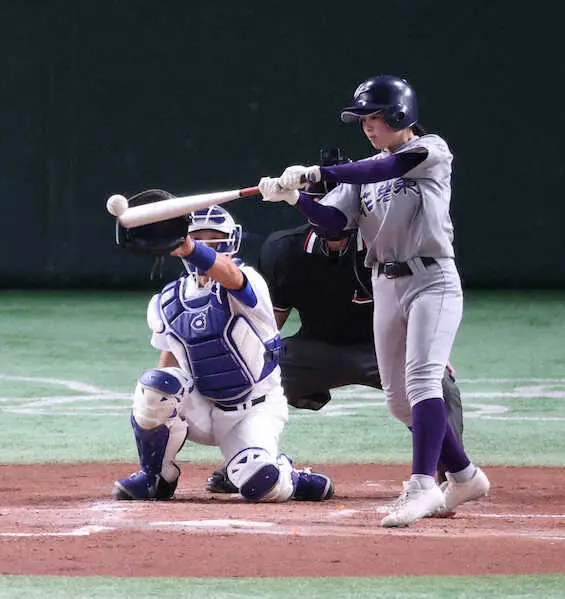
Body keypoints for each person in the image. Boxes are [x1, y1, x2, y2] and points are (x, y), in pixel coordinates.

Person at [258, 75, 490, 528]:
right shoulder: (363, 172)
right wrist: (297, 199)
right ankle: (464, 476)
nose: (367, 126)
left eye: (375, 117)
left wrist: (319, 172)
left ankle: (423, 485)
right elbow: (333, 225)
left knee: (423, 382)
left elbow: (382, 170)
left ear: (400, 114)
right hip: (386, 284)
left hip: (432, 279)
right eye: (363, 118)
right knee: (399, 403)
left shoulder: (431, 151)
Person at [205, 147, 468, 500]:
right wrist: (246, 362)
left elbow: (420, 295)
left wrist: (433, 352)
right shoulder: (284, 250)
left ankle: (449, 475)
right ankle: (248, 462)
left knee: (440, 384)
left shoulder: (384, 244)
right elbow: (268, 324)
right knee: (253, 370)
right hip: (317, 350)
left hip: (382, 349)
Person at [112, 195, 335, 504]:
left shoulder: (249, 282)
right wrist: (155, 408)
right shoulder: (167, 300)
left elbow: (230, 276)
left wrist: (191, 247)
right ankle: (156, 476)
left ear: (230, 243)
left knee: (261, 485)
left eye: (214, 241)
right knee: (156, 385)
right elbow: (170, 359)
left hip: (253, 408)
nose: (206, 246)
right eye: (198, 238)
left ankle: (290, 476)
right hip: (202, 407)